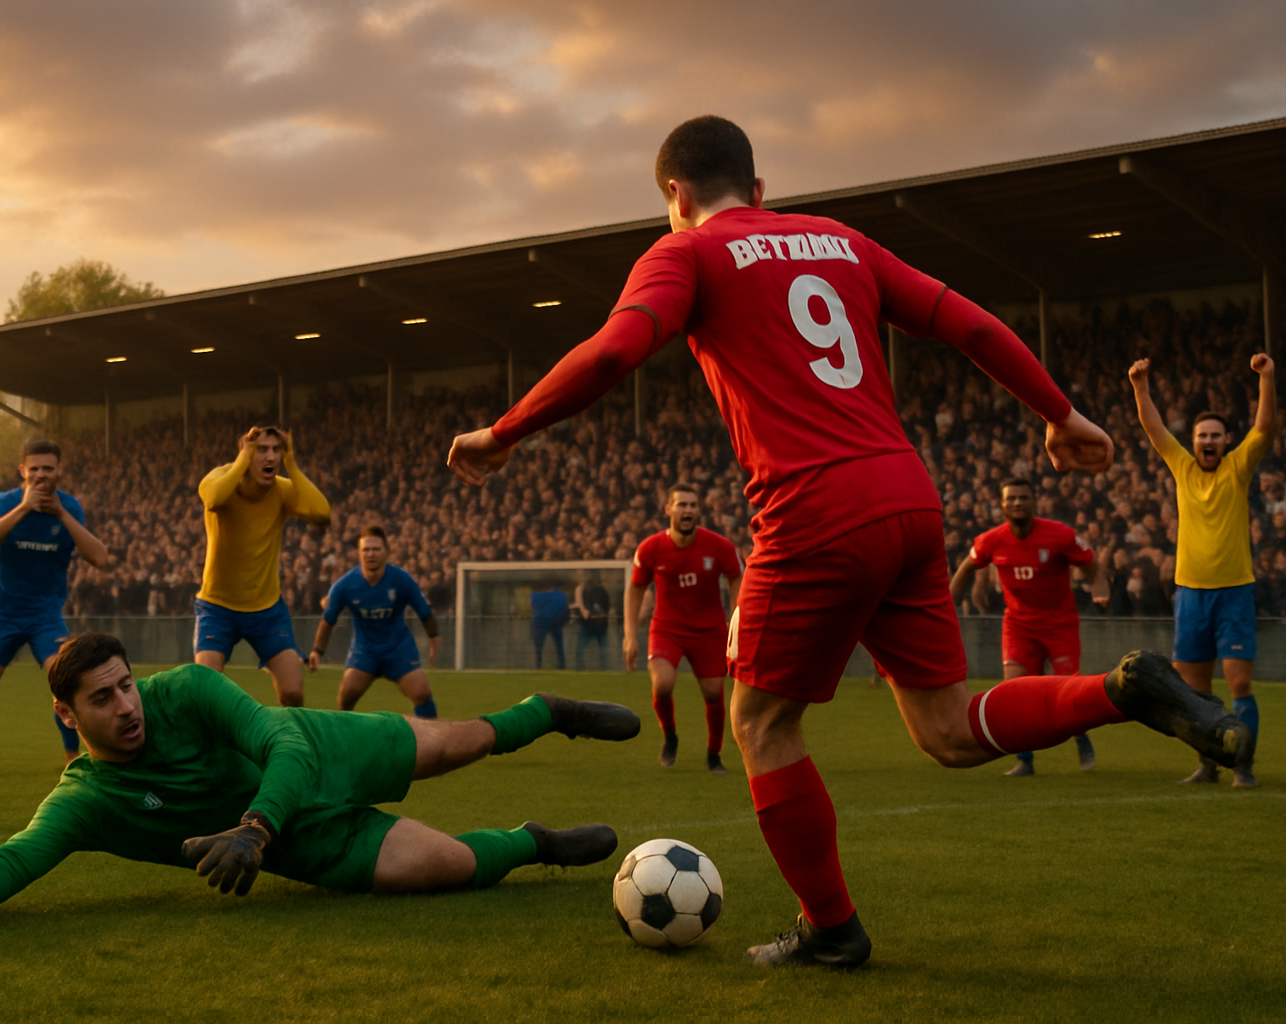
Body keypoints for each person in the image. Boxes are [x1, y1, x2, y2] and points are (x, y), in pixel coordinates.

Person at [447, 115, 1252, 968]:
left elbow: (616, 352)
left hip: (811, 509)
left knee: (760, 724)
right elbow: (968, 323)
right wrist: (1060, 412)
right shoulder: (841, 241)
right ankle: (1121, 691)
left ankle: (832, 929)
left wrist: (504, 432)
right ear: (760, 190)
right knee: (946, 730)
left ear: (674, 197)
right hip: (908, 495)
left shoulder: (684, 253)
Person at [0, 632, 638, 933]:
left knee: (462, 743)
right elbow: (19, 859)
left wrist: (253, 829)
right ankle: (534, 842)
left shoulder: (186, 690)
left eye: (125, 684)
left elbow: (280, 741)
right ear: (66, 713)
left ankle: (548, 709)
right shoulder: (86, 798)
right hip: (304, 841)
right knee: (448, 869)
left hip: (322, 753)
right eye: (102, 698)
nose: (126, 706)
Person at [1130, 355, 1275, 787]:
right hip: (1191, 593)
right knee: (1194, 692)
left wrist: (1267, 377)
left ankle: (1243, 766)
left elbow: (1265, 427)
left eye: (1215, 435)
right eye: (1201, 436)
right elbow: (1155, 430)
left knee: (1239, 681)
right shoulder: (1183, 468)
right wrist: (1140, 386)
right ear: (1193, 442)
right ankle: (1208, 764)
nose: (1208, 441)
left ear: (1228, 440)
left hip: (1233, 591)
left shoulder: (1237, 467)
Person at [0, 440, 111, 776]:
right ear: (23, 471)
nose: (41, 475)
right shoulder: (7, 502)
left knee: (64, 680)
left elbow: (100, 558)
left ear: (59, 471)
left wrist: (61, 514)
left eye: (48, 468)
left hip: (45, 615)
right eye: (35, 468)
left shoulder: (70, 506)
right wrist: (25, 508)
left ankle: (73, 757)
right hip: (3, 613)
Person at [950, 478, 1110, 776]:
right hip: (1019, 625)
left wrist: (1100, 588)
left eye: (1023, 497)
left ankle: (1080, 735)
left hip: (1059, 624)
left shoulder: (1060, 535)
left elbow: (1092, 564)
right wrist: (949, 602)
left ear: (1033, 501)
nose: (1017, 503)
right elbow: (966, 568)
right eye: (1010, 499)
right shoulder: (991, 540)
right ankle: (1025, 760)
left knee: (1070, 690)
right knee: (1013, 692)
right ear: (1001, 505)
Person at [194, 426, 330, 706]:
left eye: (275, 450)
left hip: (266, 610)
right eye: (262, 450)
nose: (271, 457)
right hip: (218, 607)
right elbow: (213, 499)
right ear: (245, 452)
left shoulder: (281, 489)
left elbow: (322, 512)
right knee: (203, 688)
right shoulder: (219, 478)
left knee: (293, 694)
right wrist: (243, 458)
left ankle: (290, 746)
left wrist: (291, 464)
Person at [624, 482, 743, 774]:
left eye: (693, 505)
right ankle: (669, 737)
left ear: (698, 511)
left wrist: (738, 623)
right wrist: (630, 636)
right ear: (669, 510)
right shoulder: (651, 548)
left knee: (714, 692)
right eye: (682, 504)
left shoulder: (719, 546)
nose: (688, 510)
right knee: (662, 684)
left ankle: (714, 755)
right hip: (667, 627)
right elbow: (635, 589)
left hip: (710, 629)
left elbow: (736, 578)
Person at [307, 526, 441, 717]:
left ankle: (433, 741)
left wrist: (434, 641)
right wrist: (317, 651)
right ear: (359, 554)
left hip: (398, 649)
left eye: (376, 549)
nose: (371, 554)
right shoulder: (345, 585)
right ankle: (344, 742)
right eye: (365, 550)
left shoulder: (401, 579)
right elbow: (328, 620)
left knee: (422, 693)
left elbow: (425, 613)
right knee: (346, 696)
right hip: (365, 651)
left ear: (386, 551)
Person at [575, 572, 612, 670]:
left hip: (595, 624)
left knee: (600, 649)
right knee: (601, 649)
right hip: (593, 624)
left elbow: (606, 607)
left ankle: (601, 668)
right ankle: (602, 668)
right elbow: (607, 607)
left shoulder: (597, 590)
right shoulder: (586, 590)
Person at [529, 585, 569, 669]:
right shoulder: (560, 596)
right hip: (555, 622)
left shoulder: (536, 596)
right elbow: (564, 609)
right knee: (559, 645)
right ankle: (562, 665)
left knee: (539, 647)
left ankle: (538, 664)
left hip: (541, 622)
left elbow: (533, 608)